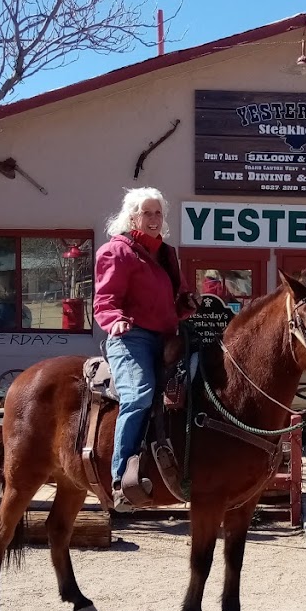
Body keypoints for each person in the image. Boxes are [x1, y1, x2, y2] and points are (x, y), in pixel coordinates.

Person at [93, 187, 194, 511]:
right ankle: (121, 479)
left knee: (197, 389)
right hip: (132, 337)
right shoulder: (117, 252)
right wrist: (115, 321)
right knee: (139, 395)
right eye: (147, 213)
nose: (153, 219)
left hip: (166, 338)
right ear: (132, 216)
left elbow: (174, 302)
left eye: (158, 213)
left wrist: (187, 304)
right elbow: (105, 301)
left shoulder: (166, 254)